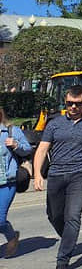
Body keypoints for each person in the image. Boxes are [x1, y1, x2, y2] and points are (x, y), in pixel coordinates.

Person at [32, 85, 82, 269]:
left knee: (73, 216)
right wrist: (37, 174)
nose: (73, 107)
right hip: (56, 175)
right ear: (65, 102)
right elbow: (41, 150)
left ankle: (62, 260)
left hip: (79, 175)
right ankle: (69, 239)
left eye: (77, 104)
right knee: (54, 215)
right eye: (69, 104)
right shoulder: (54, 123)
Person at [2, 106, 33, 258]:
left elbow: (27, 150)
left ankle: (12, 237)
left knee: (0, 220)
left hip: (7, 182)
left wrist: (16, 145)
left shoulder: (11, 131)